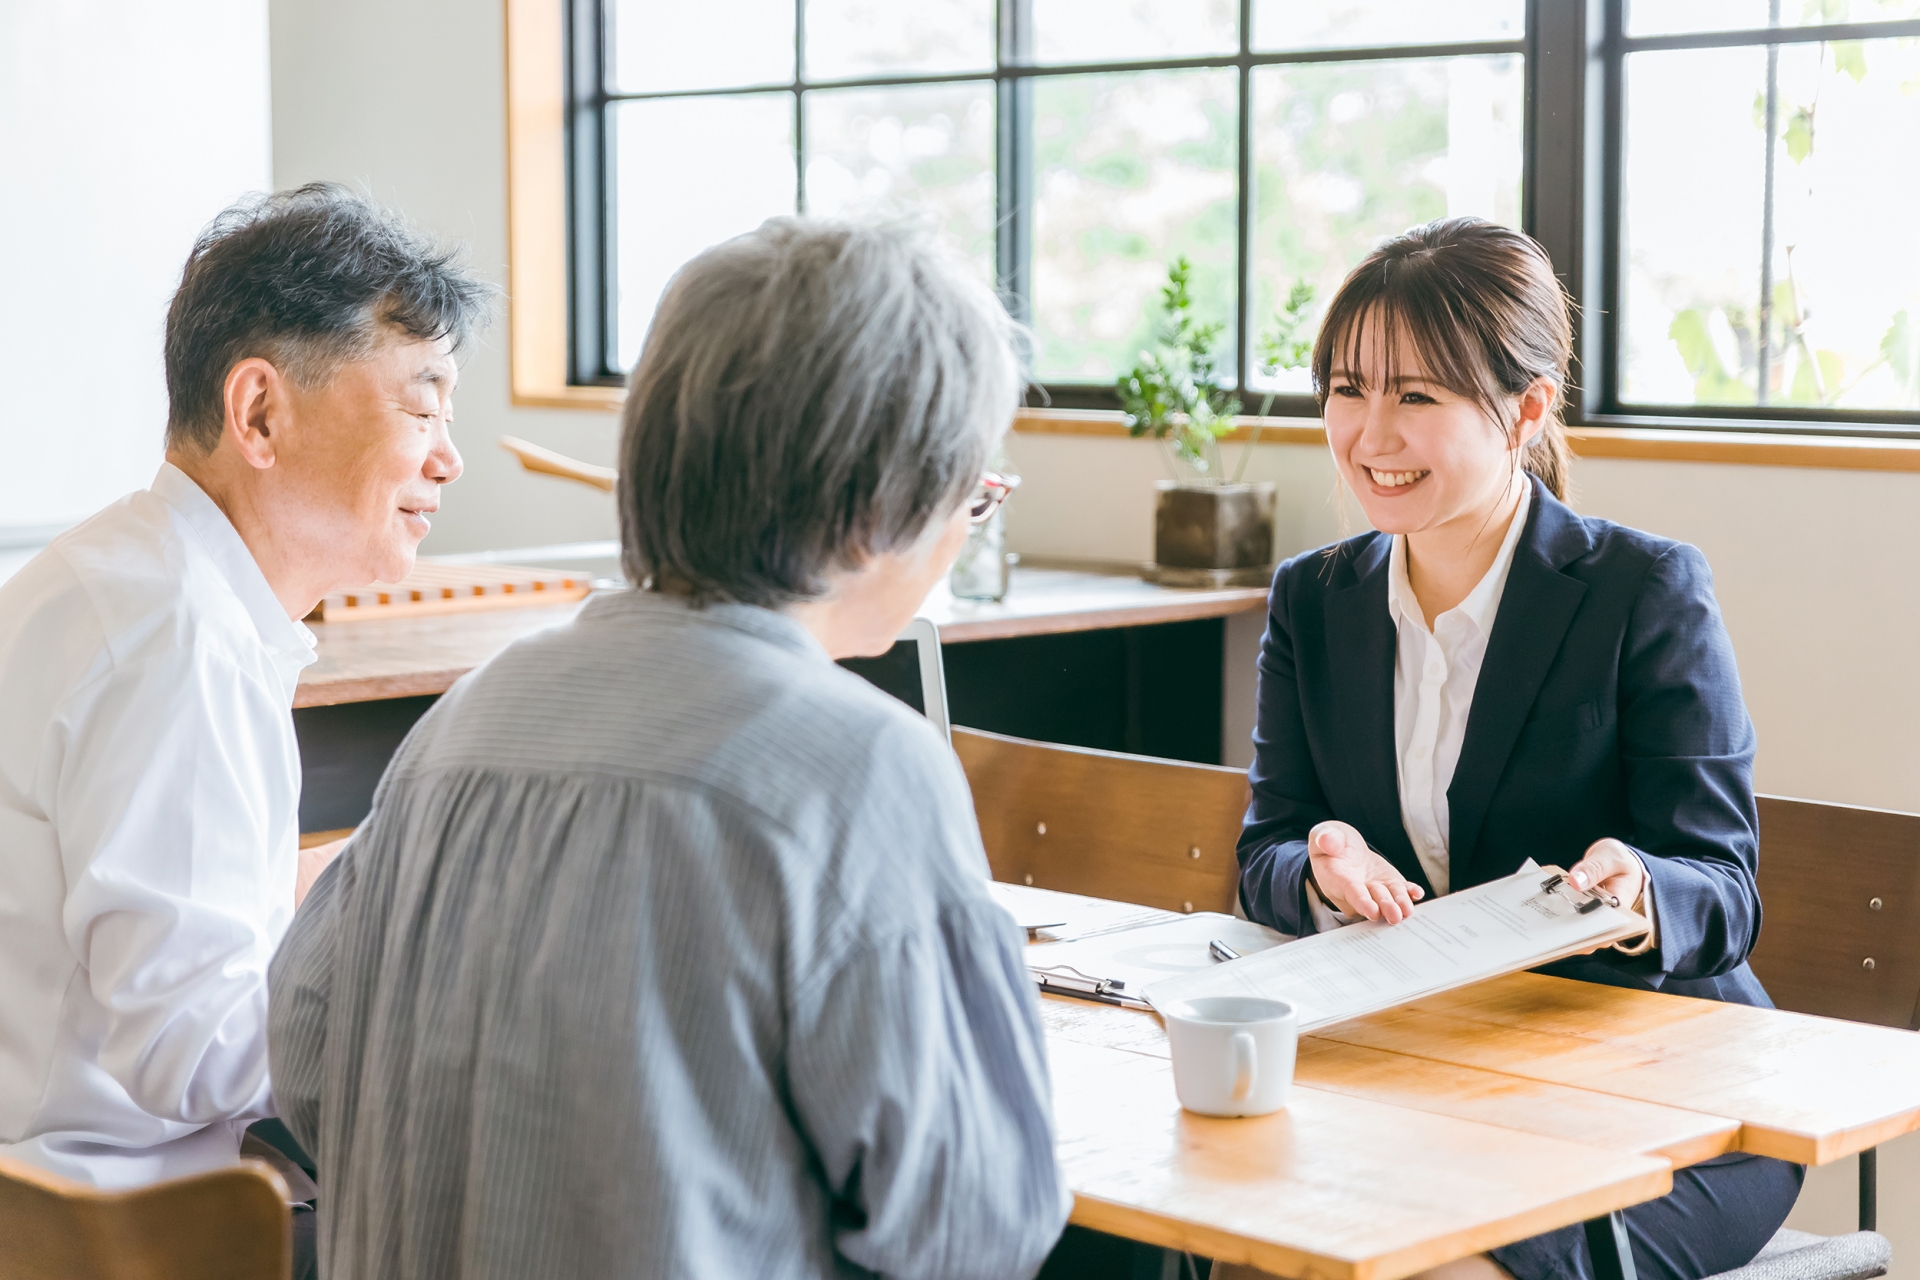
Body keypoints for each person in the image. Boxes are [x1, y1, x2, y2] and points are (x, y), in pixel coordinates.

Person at [267, 218, 1072, 1280]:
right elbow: (973, 1222)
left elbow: (308, 1055)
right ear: (881, 506)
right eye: (971, 489)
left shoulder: (465, 721)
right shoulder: (860, 766)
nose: (967, 523)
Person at [1231, 218, 1798, 1280]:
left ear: (1527, 407)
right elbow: (1264, 846)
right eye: (1347, 389)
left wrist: (1638, 890)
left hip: (1664, 1092)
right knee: (1253, 1244)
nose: (1368, 434)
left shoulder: (1643, 590)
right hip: (1427, 1072)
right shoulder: (1315, 598)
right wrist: (1320, 867)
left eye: (1417, 396)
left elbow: (1723, 888)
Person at [0, 182, 491, 1213]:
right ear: (259, 411)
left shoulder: (129, 573)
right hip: (110, 1223)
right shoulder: (177, 638)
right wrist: (438, 995)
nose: (449, 458)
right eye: (421, 403)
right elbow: (191, 1047)